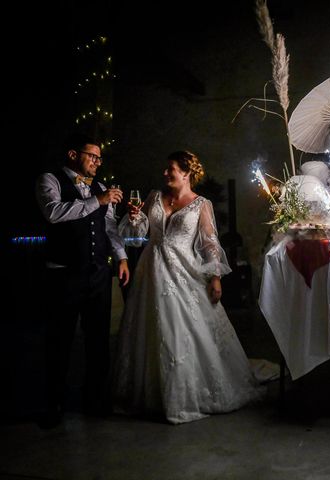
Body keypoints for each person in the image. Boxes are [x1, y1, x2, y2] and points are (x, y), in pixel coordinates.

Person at [113, 150, 264, 424]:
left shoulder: (201, 204)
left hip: (185, 272)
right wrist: (135, 219)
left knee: (183, 330)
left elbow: (209, 243)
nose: (165, 173)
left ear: (186, 172)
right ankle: (152, 394)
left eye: (170, 168)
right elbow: (137, 235)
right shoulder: (153, 197)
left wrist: (215, 276)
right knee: (149, 329)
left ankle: (183, 394)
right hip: (152, 271)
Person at [35, 133, 130, 429]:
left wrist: (122, 257)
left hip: (98, 274)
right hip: (63, 274)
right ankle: (54, 405)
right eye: (92, 156)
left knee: (99, 341)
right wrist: (96, 200)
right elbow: (53, 213)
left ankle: (96, 401)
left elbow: (110, 227)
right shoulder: (49, 180)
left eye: (100, 158)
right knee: (59, 341)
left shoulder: (101, 187)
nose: (97, 162)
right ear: (73, 155)